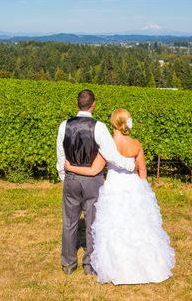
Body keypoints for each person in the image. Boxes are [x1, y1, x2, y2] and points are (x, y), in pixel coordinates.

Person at [65, 108, 175, 284]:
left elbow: (94, 170)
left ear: (112, 123)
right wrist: (143, 189)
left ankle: (117, 268)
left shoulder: (107, 145)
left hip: (114, 187)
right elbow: (142, 169)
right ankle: (146, 266)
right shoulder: (136, 144)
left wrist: (71, 168)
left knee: (115, 225)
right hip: (133, 186)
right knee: (138, 225)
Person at [56, 90, 135, 275]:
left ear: (77, 104)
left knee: (69, 222)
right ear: (93, 105)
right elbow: (111, 154)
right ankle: (89, 265)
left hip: (71, 177)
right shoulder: (98, 127)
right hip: (92, 180)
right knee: (92, 223)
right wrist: (130, 165)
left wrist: (63, 175)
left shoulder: (63, 125)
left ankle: (68, 265)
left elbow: (61, 153)